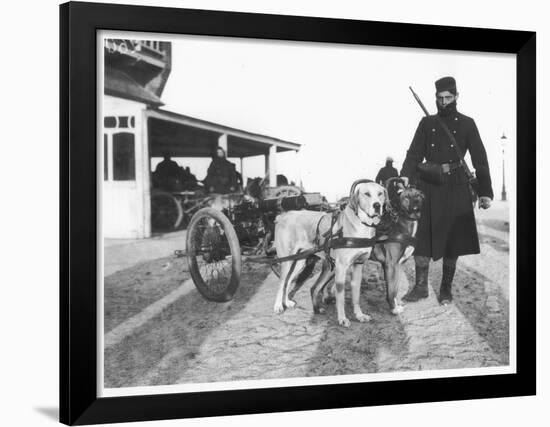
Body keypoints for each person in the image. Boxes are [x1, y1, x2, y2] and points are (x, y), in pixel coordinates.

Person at [400, 76, 493, 305]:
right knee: (422, 238)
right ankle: (421, 287)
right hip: (429, 186)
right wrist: (405, 176)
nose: (444, 102)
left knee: (453, 239)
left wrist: (485, 191)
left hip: (456, 186)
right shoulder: (426, 123)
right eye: (440, 98)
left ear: (456, 96)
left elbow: (480, 158)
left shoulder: (467, 123)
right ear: (436, 98)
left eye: (448, 98)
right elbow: (414, 154)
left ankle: (445, 289)